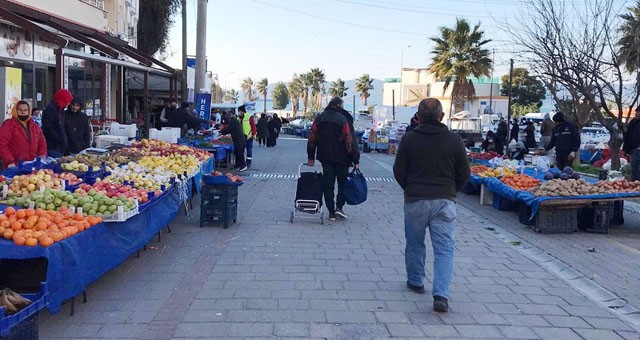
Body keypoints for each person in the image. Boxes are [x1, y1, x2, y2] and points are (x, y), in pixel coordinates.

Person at [393, 98, 470, 313]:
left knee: (415, 243)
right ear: (441, 116)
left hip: (415, 200)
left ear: (418, 116)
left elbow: (399, 171)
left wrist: (410, 188)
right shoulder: (454, 140)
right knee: (445, 250)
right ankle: (441, 295)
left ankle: (416, 281)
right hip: (444, 201)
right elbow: (465, 173)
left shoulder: (409, 140)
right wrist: (451, 190)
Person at [307, 97, 360, 221]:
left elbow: (312, 138)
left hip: (326, 157)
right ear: (340, 106)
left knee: (328, 184)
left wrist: (311, 156)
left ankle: (331, 211)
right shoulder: (343, 119)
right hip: (343, 158)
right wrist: (355, 159)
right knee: (343, 183)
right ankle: (339, 207)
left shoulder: (320, 118)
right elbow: (349, 141)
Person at [0, 100, 47, 169]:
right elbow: (2, 144)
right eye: (20, 110)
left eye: (25, 110)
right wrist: (9, 161)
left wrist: (42, 158)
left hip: (32, 165)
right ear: (15, 111)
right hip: (14, 165)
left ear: (29, 111)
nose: (23, 112)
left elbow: (42, 144)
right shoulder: (8, 125)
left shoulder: (35, 127)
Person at [42, 88, 72, 157]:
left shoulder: (60, 110)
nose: (68, 103)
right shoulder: (50, 110)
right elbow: (47, 128)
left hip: (59, 146)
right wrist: (59, 138)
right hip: (53, 146)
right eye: (67, 101)